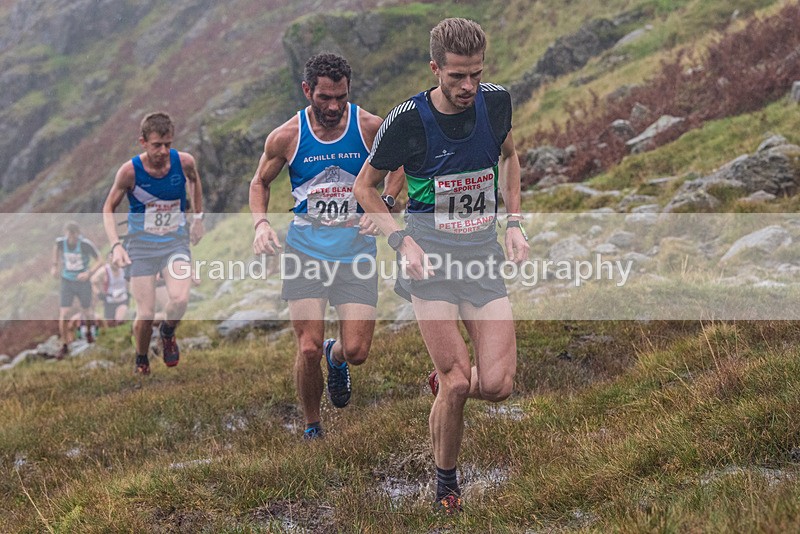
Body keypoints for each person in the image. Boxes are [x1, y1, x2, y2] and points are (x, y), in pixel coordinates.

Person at [353, 18, 530, 514]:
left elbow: (511, 157)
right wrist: (401, 240)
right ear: (436, 69)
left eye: (475, 74)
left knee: (495, 386)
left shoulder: (496, 102)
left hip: (482, 259)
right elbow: (365, 188)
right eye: (456, 77)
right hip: (429, 264)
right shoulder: (406, 121)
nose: (468, 86)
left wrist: (514, 222)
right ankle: (446, 484)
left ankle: (446, 384)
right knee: (457, 382)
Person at [250, 53, 403, 440]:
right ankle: (312, 424)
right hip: (306, 250)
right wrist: (261, 224)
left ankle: (336, 356)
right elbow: (259, 183)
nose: (333, 106)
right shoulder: (286, 136)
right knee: (306, 348)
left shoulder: (370, 127)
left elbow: (399, 167)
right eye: (324, 98)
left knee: (357, 351)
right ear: (307, 91)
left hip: (355, 250)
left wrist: (384, 205)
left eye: (341, 97)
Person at [102, 111, 205, 375]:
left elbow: (194, 180)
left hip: (175, 243)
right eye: (157, 145)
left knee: (180, 299)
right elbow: (108, 209)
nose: (163, 151)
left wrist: (198, 217)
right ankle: (141, 358)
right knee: (145, 314)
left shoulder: (183, 162)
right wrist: (116, 246)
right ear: (143, 142)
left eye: (168, 144)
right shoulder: (129, 172)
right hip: (141, 248)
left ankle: (168, 332)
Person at [51, 221, 102, 359]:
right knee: (64, 312)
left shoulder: (85, 244)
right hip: (67, 281)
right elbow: (56, 248)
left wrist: (89, 273)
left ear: (78, 234)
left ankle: (90, 333)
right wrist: (55, 266)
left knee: (87, 311)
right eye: (69, 235)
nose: (71, 238)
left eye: (74, 235)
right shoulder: (61, 243)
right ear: (66, 233)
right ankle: (64, 344)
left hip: (82, 281)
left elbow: (100, 260)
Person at [91, 253, 130, 327]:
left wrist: (128, 292)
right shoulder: (104, 271)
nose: (114, 263)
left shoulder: (124, 269)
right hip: (109, 300)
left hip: (122, 299)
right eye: (112, 260)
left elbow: (129, 281)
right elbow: (93, 281)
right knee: (110, 324)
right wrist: (99, 294)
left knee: (119, 319)